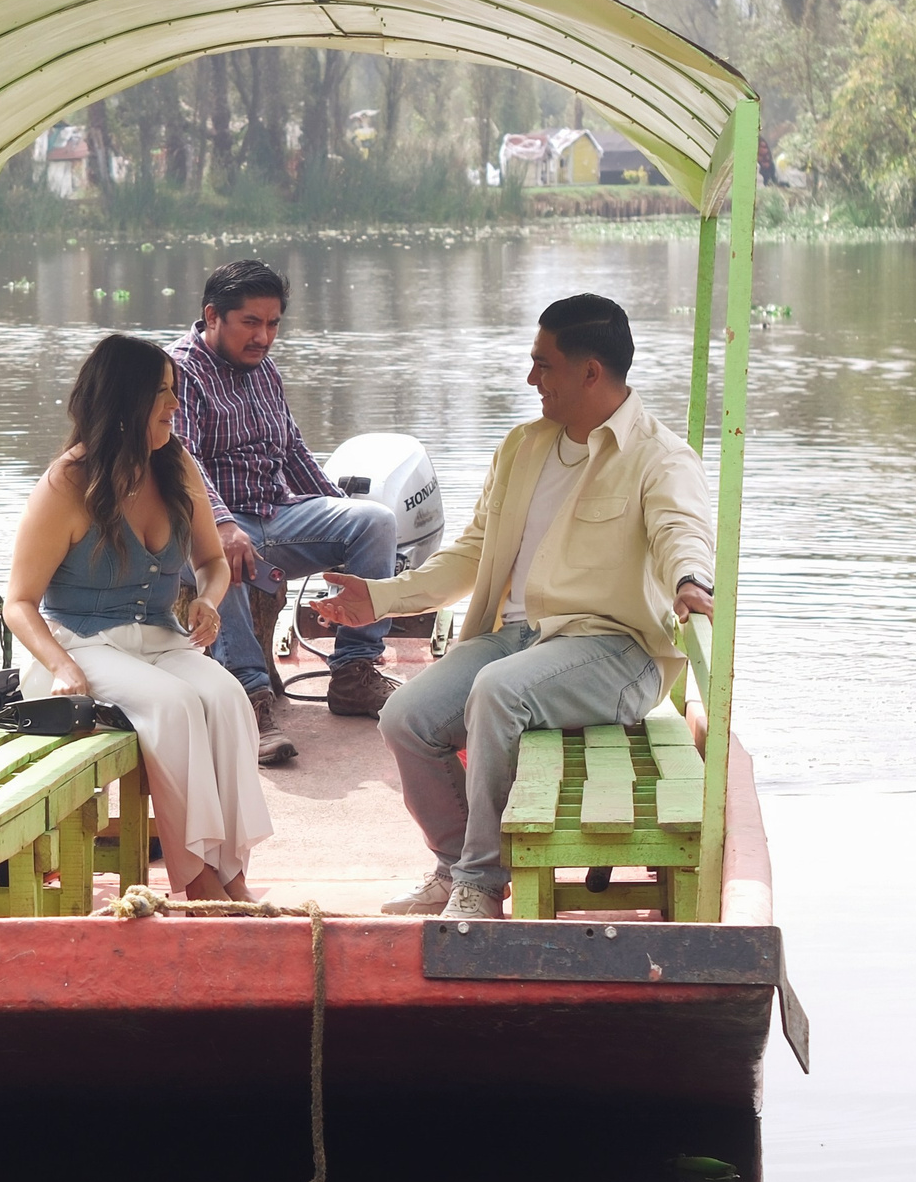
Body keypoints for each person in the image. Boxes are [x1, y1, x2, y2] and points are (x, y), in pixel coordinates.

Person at [306, 294, 716, 922]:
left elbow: (680, 530)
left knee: (497, 692)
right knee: (404, 717)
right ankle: (454, 866)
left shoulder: (659, 458)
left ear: (590, 372)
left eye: (543, 365)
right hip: (520, 638)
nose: (531, 380)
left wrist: (691, 580)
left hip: (616, 649)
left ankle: (480, 884)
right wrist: (380, 598)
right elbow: (471, 556)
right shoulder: (523, 447)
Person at [3, 333, 270, 902]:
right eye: (163, 395)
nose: (176, 406)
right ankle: (197, 882)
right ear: (125, 402)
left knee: (227, 700)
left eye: (175, 392)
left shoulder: (175, 464)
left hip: (160, 640)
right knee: (175, 707)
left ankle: (232, 876)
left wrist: (207, 601)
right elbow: (19, 602)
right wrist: (61, 666)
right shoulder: (66, 484)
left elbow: (212, 563)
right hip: (80, 646)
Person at [167, 259, 401, 767]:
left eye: (273, 324)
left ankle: (354, 673)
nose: (264, 337)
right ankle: (249, 700)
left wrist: (338, 512)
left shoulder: (263, 369)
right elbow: (178, 460)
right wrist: (222, 525)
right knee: (218, 557)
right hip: (200, 526)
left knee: (375, 522)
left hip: (275, 517)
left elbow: (292, 451)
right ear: (213, 317)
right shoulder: (178, 371)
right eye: (251, 323)